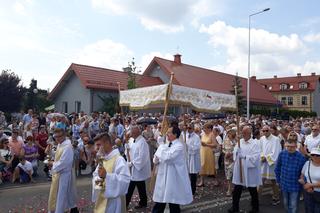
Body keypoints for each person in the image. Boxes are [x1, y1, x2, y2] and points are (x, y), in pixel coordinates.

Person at [152, 126, 193, 213]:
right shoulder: (166, 145)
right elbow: (156, 159)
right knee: (160, 201)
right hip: (163, 177)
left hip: (173, 178)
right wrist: (157, 155)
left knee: (173, 202)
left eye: (169, 132)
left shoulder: (179, 146)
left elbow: (168, 158)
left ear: (175, 135)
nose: (167, 134)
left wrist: (161, 146)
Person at [92, 132, 130, 213]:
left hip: (113, 201)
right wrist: (99, 182)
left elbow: (125, 180)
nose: (96, 148)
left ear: (107, 143)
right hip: (102, 198)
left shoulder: (119, 160)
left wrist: (107, 176)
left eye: (99, 145)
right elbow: (96, 175)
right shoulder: (103, 158)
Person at [228, 126, 261, 213]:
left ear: (250, 134)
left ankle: (255, 208)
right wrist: (236, 152)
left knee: (252, 190)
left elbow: (256, 157)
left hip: (250, 171)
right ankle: (235, 207)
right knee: (237, 190)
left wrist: (245, 157)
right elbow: (235, 153)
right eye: (243, 133)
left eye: (245, 133)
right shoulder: (240, 142)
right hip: (240, 170)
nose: (243, 135)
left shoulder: (255, 143)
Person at [47, 128, 78, 213]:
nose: (57, 139)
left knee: (62, 195)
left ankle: (62, 210)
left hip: (65, 174)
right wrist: (50, 153)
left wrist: (52, 164)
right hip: (59, 173)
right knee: (65, 195)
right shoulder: (61, 144)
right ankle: (72, 209)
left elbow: (64, 163)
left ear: (64, 135)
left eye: (59, 136)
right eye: (56, 137)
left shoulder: (67, 146)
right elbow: (58, 154)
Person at [274, 132, 306, 213]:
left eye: (292, 147)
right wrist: (278, 180)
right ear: (285, 146)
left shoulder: (301, 158)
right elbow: (277, 168)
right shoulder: (282, 154)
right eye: (288, 146)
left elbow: (304, 173)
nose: (290, 148)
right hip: (284, 184)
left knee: (293, 205)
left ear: (296, 146)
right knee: (285, 203)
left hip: (295, 186)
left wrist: (302, 184)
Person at [126, 125, 151, 209]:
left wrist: (132, 163)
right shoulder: (133, 140)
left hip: (138, 168)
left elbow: (142, 157)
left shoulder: (142, 142)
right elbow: (130, 151)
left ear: (136, 133)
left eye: (132, 132)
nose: (130, 134)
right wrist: (127, 149)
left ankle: (125, 203)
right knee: (140, 185)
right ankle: (143, 202)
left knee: (132, 186)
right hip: (133, 168)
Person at [260, 125, 282, 205]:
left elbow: (276, 151)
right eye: (263, 131)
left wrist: (267, 158)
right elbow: (260, 149)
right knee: (260, 181)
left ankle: (276, 197)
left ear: (270, 131)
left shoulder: (276, 139)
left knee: (273, 181)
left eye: (267, 130)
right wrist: (262, 156)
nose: (265, 132)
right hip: (263, 163)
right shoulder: (261, 139)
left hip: (272, 164)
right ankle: (256, 198)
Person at [299, 147, 320, 213]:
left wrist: (310, 185)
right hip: (308, 192)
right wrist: (304, 184)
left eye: (317, 155)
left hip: (318, 193)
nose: (315, 156)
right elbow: (302, 176)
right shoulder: (307, 163)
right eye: (313, 155)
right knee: (308, 210)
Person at [186, 124, 201, 195]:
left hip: (193, 157)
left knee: (193, 174)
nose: (188, 129)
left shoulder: (196, 137)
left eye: (190, 128)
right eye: (187, 128)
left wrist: (188, 146)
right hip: (187, 157)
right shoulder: (185, 135)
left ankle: (193, 189)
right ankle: (187, 188)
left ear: (193, 129)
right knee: (187, 173)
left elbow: (197, 147)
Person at [223, 128, 236, 196]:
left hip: (233, 160)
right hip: (226, 160)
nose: (228, 135)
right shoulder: (225, 140)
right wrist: (226, 153)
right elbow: (223, 149)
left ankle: (232, 187)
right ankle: (229, 188)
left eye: (230, 134)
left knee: (232, 175)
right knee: (227, 175)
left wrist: (231, 154)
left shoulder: (236, 141)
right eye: (228, 134)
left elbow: (238, 150)